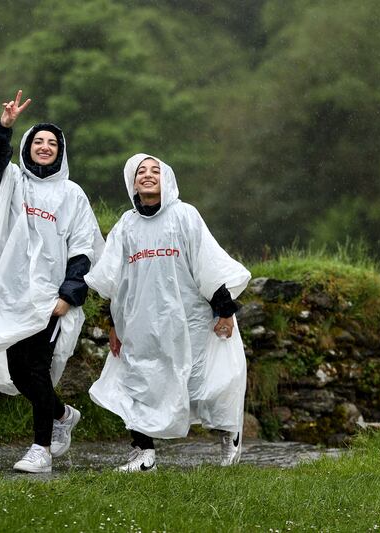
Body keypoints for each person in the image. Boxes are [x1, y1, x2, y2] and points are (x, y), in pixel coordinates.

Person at [0, 90, 103, 473]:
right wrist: (4, 128)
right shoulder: (14, 182)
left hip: (50, 296)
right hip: (11, 293)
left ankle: (41, 450)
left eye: (52, 143)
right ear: (27, 148)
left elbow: (83, 249)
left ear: (61, 152)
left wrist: (69, 294)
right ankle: (62, 414)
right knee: (18, 369)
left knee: (37, 369)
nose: (44, 147)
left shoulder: (72, 194)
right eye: (38, 142)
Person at [84, 154, 251, 472]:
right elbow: (117, 281)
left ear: (167, 178)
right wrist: (115, 324)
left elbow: (207, 265)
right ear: (132, 182)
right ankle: (143, 453)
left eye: (155, 170)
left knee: (205, 383)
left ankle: (229, 431)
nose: (147, 175)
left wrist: (225, 311)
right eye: (140, 172)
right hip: (142, 324)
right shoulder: (126, 226)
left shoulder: (184, 216)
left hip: (190, 319)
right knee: (137, 383)